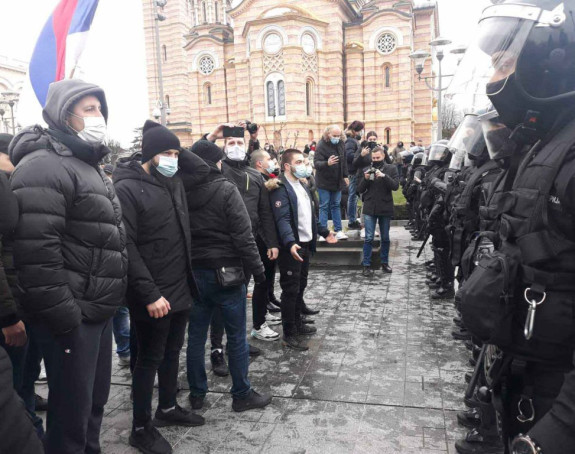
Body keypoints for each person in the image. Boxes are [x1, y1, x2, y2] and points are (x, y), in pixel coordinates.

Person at [456, 2, 575, 453]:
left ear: (553, 58)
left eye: (504, 61)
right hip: (521, 378)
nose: (495, 76)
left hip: (553, 397)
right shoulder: (547, 143)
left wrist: (557, 431)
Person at [9, 79, 128, 454]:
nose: (98, 117)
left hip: (96, 309)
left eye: (100, 109)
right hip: (72, 316)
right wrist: (67, 316)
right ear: (65, 114)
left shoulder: (87, 164)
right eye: (89, 109)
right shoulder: (45, 166)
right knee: (70, 415)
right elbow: (36, 252)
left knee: (92, 405)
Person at [114, 121, 208, 454]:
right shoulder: (126, 187)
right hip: (152, 292)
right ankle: (140, 428)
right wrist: (150, 293)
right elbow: (127, 246)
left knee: (172, 352)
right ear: (150, 154)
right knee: (149, 359)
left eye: (176, 153)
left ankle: (167, 407)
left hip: (180, 284)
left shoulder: (172, 180)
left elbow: (205, 170)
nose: (173, 158)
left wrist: (181, 147)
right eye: (166, 153)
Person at [183, 139, 272, 413]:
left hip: (195, 273)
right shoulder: (225, 188)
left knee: (196, 337)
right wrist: (259, 271)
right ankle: (241, 393)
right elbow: (243, 235)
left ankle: (197, 393)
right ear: (215, 163)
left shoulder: (181, 190)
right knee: (235, 335)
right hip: (227, 273)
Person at [204, 123, 280, 374]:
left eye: (239, 143)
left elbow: (264, 212)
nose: (235, 147)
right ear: (224, 147)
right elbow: (195, 156)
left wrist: (270, 242)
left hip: (248, 244)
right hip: (222, 246)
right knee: (220, 301)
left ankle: (237, 343)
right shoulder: (217, 169)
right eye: (231, 143)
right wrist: (211, 137)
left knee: (238, 297)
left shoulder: (255, 175)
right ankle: (216, 349)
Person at [267, 149, 337, 351]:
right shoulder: (280, 188)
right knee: (290, 289)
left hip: (305, 243)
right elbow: (283, 219)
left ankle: (297, 323)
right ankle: (289, 334)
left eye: (305, 161)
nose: (304, 165)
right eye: (299, 161)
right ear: (287, 166)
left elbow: (309, 216)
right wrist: (289, 243)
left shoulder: (302, 185)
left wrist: (324, 232)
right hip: (293, 247)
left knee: (301, 284)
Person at [357, 147, 399, 277]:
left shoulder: (391, 168)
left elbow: (395, 186)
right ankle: (366, 265)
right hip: (370, 207)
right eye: (373, 158)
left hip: (385, 206)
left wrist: (384, 176)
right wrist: (365, 178)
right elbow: (360, 189)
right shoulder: (366, 169)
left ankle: (384, 263)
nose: (375, 160)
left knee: (385, 237)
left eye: (378, 158)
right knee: (369, 237)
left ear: (383, 156)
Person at [251, 149, 282, 314]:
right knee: (264, 272)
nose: (272, 162)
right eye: (269, 159)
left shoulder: (267, 178)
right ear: (259, 163)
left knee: (270, 270)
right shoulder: (257, 181)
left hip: (269, 232)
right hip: (262, 234)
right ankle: (264, 303)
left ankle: (270, 296)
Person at [314, 125, 349, 241]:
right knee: (324, 206)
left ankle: (338, 230)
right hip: (324, 181)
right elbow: (316, 163)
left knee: (336, 205)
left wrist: (345, 176)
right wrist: (327, 163)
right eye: (334, 136)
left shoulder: (341, 143)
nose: (337, 138)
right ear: (328, 134)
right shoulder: (320, 145)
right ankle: (323, 232)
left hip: (337, 181)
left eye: (339, 135)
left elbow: (343, 161)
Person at [344, 120, 365, 230]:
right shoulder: (350, 141)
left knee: (354, 197)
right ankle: (352, 221)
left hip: (355, 172)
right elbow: (349, 156)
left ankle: (353, 220)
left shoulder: (353, 141)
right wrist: (361, 155)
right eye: (360, 130)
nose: (361, 132)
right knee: (352, 197)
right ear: (356, 131)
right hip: (353, 172)